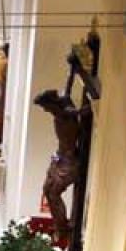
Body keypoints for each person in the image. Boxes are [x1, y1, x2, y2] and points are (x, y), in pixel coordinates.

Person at [35, 90, 84, 240]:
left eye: (46, 107)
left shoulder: (67, 113)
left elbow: (82, 111)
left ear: (53, 104)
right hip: (59, 157)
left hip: (69, 161)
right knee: (46, 189)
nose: (46, 110)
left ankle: (62, 227)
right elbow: (67, 89)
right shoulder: (60, 112)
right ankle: (58, 223)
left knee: (54, 193)